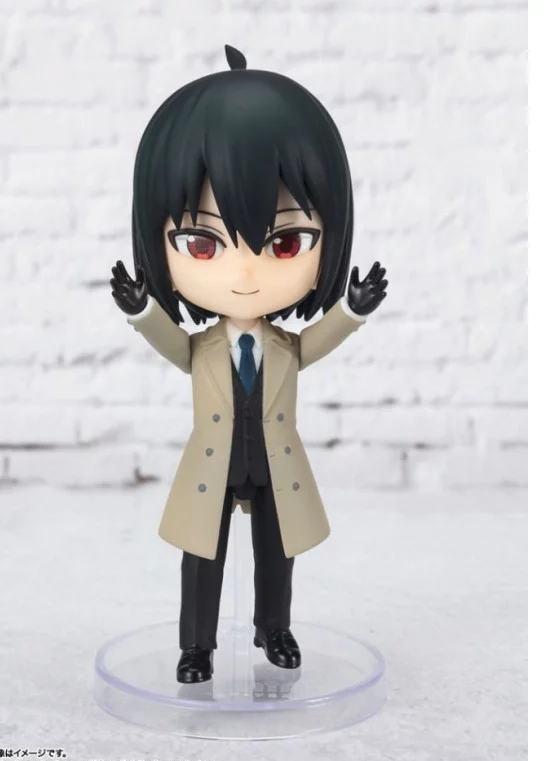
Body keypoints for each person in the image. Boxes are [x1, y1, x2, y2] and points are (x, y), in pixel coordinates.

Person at [110, 45, 388, 683]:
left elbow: (314, 344)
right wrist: (141, 308)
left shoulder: (284, 347)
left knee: (277, 554)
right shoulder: (204, 347)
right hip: (211, 467)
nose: (244, 273)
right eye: (202, 243)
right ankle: (197, 645)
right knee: (201, 558)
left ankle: (274, 628)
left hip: (273, 466)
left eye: (286, 242)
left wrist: (351, 309)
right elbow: (173, 346)